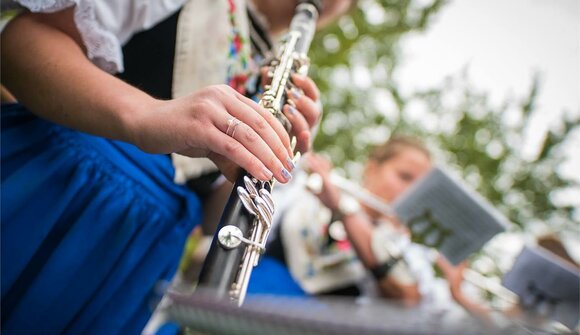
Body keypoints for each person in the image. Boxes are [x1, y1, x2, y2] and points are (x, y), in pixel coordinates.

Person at [0, 0, 352, 333]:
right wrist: (146, 114)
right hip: (53, 183)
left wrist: (269, 164)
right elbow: (21, 42)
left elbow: (213, 219)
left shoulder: (280, 77)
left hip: (140, 251)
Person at [249, 135, 488, 318]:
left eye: (420, 185)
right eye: (404, 177)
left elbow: (407, 297)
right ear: (372, 168)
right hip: (253, 290)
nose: (410, 191)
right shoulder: (320, 189)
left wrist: (341, 208)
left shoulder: (410, 250)